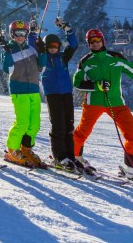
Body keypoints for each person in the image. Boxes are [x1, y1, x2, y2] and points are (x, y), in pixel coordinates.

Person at [72, 28, 133, 183]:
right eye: (92, 42)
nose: (95, 44)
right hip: (94, 103)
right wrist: (96, 85)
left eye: (98, 40)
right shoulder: (85, 61)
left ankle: (132, 168)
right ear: (88, 44)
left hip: (116, 103)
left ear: (103, 40)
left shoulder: (115, 58)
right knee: (81, 133)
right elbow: (77, 82)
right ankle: (75, 157)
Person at [0, 20, 46, 167]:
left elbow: (41, 67)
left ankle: (26, 148)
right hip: (19, 90)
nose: (20, 36)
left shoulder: (31, 49)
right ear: (12, 34)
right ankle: (12, 150)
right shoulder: (9, 50)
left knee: (35, 124)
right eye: (16, 34)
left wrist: (42, 51)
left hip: (33, 89)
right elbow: (7, 69)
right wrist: (6, 52)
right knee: (22, 122)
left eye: (23, 33)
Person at [39, 18, 80, 171]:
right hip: (53, 94)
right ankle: (60, 157)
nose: (53, 49)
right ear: (45, 47)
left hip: (66, 94)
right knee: (58, 125)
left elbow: (74, 45)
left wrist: (67, 29)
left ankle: (70, 156)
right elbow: (34, 47)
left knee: (69, 125)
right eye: (50, 46)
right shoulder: (43, 59)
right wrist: (34, 35)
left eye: (56, 46)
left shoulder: (63, 57)